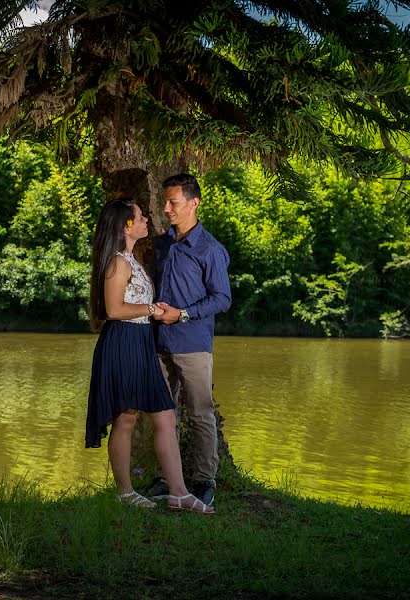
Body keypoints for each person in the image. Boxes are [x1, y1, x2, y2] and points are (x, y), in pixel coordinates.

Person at [85, 197, 214, 514]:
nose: (147, 220)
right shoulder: (117, 262)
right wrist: (151, 309)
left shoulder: (131, 259)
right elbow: (114, 310)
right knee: (125, 419)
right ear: (126, 225)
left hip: (141, 342)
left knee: (166, 416)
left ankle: (179, 493)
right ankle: (126, 492)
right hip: (123, 343)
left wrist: (152, 312)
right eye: (141, 216)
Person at [148, 174, 232, 507]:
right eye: (165, 202)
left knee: (200, 414)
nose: (166, 209)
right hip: (158, 343)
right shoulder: (162, 243)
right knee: (161, 414)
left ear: (193, 203)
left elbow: (222, 298)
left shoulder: (210, 249)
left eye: (173, 203)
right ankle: (167, 478)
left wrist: (181, 314)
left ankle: (204, 481)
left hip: (193, 344)